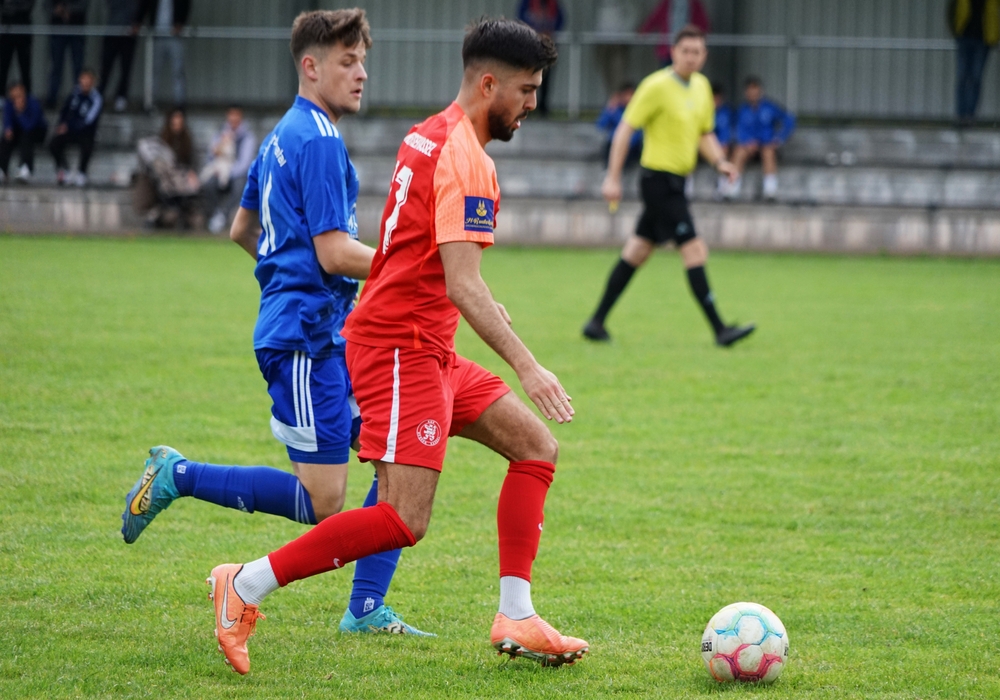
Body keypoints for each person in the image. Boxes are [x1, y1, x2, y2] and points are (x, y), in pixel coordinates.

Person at [203, 16, 588, 675]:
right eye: (526, 91)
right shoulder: (467, 158)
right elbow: (462, 283)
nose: (532, 104)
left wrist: (470, 301)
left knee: (535, 448)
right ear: (488, 84)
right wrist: (529, 366)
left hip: (425, 344)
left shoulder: (428, 132)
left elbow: (428, 260)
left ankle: (516, 614)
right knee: (405, 517)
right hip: (401, 349)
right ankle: (244, 583)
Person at [122, 9, 432, 652]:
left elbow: (243, 230)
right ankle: (178, 474)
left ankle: (366, 607)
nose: (361, 73)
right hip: (306, 338)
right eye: (347, 62)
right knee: (324, 502)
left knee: (395, 452)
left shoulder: (280, 135)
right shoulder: (317, 139)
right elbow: (332, 251)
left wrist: (285, 280)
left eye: (363, 61)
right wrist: (415, 270)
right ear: (310, 67)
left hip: (322, 329)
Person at [583, 26, 754, 348]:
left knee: (637, 251)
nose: (691, 57)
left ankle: (596, 322)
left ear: (704, 55)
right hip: (657, 181)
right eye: (685, 51)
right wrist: (613, 177)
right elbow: (624, 130)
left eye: (696, 52)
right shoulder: (656, 86)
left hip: (678, 182)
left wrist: (721, 162)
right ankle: (721, 330)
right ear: (673, 52)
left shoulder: (701, 87)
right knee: (694, 249)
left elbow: (704, 133)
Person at [729, 76, 795, 201]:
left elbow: (789, 120)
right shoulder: (742, 110)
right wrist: (746, 141)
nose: (753, 94)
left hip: (766, 145)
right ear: (746, 92)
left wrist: (779, 139)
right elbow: (736, 129)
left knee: (768, 151)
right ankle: (732, 188)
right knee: (738, 151)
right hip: (748, 147)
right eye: (750, 91)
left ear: (760, 91)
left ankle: (770, 190)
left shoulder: (769, 107)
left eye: (756, 91)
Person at [200, 105, 257, 234]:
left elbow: (244, 164)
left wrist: (227, 174)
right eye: (231, 115)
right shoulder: (220, 133)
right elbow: (211, 155)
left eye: (236, 115)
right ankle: (215, 214)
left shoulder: (247, 136)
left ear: (241, 117)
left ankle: (223, 215)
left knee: (240, 186)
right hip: (219, 169)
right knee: (208, 184)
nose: (233, 118)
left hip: (236, 173)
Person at [949, 0, 1000, 124]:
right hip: (964, 37)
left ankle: (970, 115)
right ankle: (960, 114)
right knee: (962, 76)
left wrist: (995, 36)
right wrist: (955, 31)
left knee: (976, 77)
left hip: (983, 39)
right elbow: (951, 11)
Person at [49, 67, 102, 186]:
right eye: (83, 79)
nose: (85, 82)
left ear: (93, 82)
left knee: (88, 145)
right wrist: (62, 124)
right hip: (71, 130)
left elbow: (89, 121)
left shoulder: (96, 98)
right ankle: (64, 169)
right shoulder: (74, 94)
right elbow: (65, 111)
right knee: (53, 143)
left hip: (86, 132)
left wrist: (68, 127)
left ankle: (82, 173)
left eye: (88, 79)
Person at [134, 0, 190, 106]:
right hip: (157, 36)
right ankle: (150, 102)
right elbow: (144, 6)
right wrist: (137, 22)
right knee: (153, 71)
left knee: (178, 71)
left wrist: (180, 23)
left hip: (175, 37)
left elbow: (185, 5)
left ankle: (179, 103)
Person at [516, 0, 563, 116]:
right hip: (530, 45)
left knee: (546, 76)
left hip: (547, 45)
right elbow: (520, 19)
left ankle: (543, 106)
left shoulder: (553, 3)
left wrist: (551, 32)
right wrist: (532, 31)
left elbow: (561, 19)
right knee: (528, 76)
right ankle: (526, 106)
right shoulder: (527, 2)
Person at [0, 82, 48, 185]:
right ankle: (3, 169)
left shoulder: (33, 102)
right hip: (19, 132)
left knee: (26, 138)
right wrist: (8, 129)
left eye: (18, 94)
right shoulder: (9, 103)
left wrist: (20, 112)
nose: (16, 98)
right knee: (5, 139)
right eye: (13, 95)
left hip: (36, 132)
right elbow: (7, 120)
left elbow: (30, 125)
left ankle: (26, 168)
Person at [46, 0, 89, 109]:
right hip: (58, 29)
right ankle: (52, 98)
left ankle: (79, 99)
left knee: (78, 67)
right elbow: (46, 5)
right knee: (56, 66)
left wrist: (69, 10)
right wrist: (57, 10)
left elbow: (84, 4)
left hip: (77, 28)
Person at [639, 0, 709, 67]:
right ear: (674, 51)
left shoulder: (694, 3)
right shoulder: (667, 3)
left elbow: (703, 23)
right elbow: (655, 17)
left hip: (680, 45)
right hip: (667, 50)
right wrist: (644, 31)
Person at [99, 0, 140, 113]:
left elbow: (138, 7)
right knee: (105, 67)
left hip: (128, 35)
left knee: (126, 68)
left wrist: (136, 23)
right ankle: (99, 96)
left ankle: (121, 97)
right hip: (112, 32)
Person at [596, 82, 642, 170]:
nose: (629, 98)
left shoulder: (638, 110)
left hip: (632, 148)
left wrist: (627, 142)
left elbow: (639, 131)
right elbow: (601, 125)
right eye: (626, 94)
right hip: (615, 145)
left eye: (631, 95)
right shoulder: (615, 109)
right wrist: (610, 108)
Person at [0, 0, 36, 95]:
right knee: (4, 65)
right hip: (7, 29)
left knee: (25, 67)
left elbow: (29, 5)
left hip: (23, 29)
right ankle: (1, 96)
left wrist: (13, 8)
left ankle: (27, 97)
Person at [712, 82, 735, 197]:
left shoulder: (727, 112)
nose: (716, 101)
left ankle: (724, 186)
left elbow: (728, 135)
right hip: (703, 147)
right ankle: (686, 187)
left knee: (725, 147)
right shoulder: (701, 111)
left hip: (720, 148)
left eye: (718, 98)